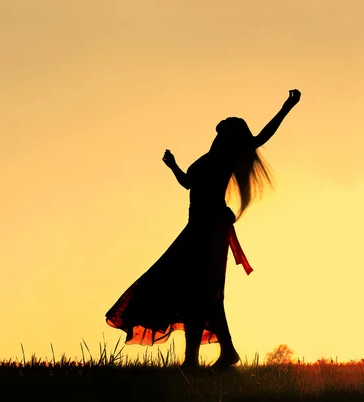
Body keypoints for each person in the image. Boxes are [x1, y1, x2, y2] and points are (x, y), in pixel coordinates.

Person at [105, 89, 301, 370]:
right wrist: (173, 166)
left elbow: (260, 138)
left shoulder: (226, 158)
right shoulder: (208, 159)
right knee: (190, 292)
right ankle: (194, 360)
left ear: (232, 137)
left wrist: (286, 107)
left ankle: (222, 352)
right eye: (220, 131)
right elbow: (188, 183)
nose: (219, 135)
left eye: (225, 131)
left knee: (204, 292)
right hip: (196, 227)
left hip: (211, 228)